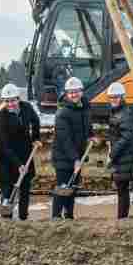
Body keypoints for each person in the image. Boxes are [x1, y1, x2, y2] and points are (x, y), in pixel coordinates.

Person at [0, 83, 43, 220]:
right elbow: (4, 145)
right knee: (8, 190)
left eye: (13, 100)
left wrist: (35, 137)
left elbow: (36, 121)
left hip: (25, 152)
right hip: (7, 158)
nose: (10, 104)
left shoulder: (26, 107)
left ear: (18, 98)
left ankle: (23, 218)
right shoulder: (0, 117)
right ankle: (6, 218)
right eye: (7, 101)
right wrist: (18, 164)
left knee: (25, 188)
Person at [52, 77, 91, 219]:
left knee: (72, 188)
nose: (74, 94)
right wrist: (75, 159)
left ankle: (69, 216)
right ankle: (56, 216)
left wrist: (91, 136)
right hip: (63, 156)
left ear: (81, 92)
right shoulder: (62, 112)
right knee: (62, 188)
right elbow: (64, 139)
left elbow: (87, 125)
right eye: (71, 92)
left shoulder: (85, 107)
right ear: (66, 94)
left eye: (76, 91)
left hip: (77, 155)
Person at [106, 82, 133, 219]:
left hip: (124, 157)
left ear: (122, 97)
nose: (113, 99)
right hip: (121, 157)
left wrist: (112, 154)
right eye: (111, 97)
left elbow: (126, 138)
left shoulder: (124, 114)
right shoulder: (117, 112)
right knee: (121, 189)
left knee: (122, 189)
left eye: (116, 97)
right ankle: (121, 217)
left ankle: (122, 218)